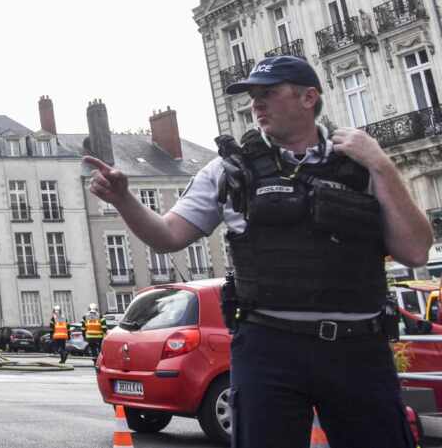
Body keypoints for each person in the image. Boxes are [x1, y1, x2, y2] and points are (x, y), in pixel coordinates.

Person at [84, 55, 430, 448]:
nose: (256, 104)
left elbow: (416, 251)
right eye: (252, 96)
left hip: (358, 348)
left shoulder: (361, 162)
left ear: (308, 97)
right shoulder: (230, 170)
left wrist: (382, 165)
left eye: (269, 93)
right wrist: (124, 199)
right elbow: (167, 235)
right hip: (269, 347)